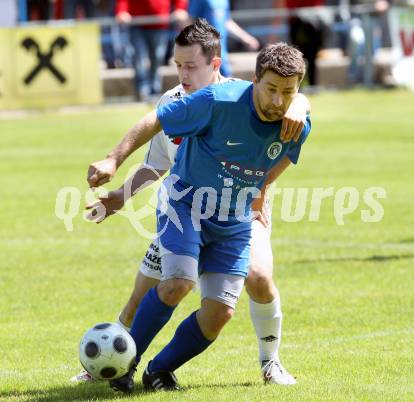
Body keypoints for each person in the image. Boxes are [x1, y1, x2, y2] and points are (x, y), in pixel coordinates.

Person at [74, 19, 309, 386]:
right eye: (178, 65)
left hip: (234, 217)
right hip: (185, 205)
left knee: (221, 311)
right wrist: (115, 169)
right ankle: (122, 364)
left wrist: (261, 188)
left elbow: (283, 152)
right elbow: (155, 152)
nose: (279, 100)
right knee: (171, 284)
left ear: (215, 64)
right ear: (257, 81)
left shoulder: (291, 118)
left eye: (190, 66)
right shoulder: (200, 102)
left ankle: (160, 370)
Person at [115, 0, 188, 100]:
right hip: (136, 24)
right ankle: (143, 90)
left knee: (158, 56)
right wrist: (121, 11)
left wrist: (180, 8)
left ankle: (154, 89)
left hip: (160, 23)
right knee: (139, 58)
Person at [188, 0, 260, 77]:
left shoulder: (224, 1)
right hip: (204, 52)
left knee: (225, 78)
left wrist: (246, 38)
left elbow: (227, 21)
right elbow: (190, 20)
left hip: (221, 52)